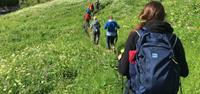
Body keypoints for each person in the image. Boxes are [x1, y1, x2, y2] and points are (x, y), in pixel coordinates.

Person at [118, 1, 189, 94]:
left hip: (138, 91)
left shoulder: (136, 35)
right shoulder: (173, 39)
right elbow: (184, 72)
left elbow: (123, 70)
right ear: (163, 16)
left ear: (145, 15)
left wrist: (121, 59)